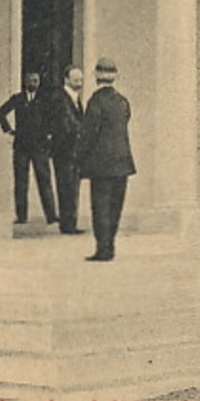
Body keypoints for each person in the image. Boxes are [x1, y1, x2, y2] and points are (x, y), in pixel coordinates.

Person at [77, 56, 135, 262]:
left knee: (100, 206)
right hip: (123, 161)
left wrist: (80, 159)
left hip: (101, 163)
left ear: (96, 77)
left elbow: (88, 134)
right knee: (115, 207)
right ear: (114, 77)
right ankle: (110, 245)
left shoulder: (95, 101)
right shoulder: (122, 102)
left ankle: (103, 248)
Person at [0, 71, 57, 226]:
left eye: (36, 80)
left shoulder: (45, 100)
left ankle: (51, 216)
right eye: (30, 80)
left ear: (39, 82)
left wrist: (49, 135)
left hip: (40, 147)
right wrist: (8, 130)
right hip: (22, 147)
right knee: (21, 182)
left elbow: (53, 117)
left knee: (44, 180)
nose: (33, 83)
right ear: (25, 81)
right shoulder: (17, 99)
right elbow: (1, 112)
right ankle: (21, 216)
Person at [45, 66, 87, 234]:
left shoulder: (75, 98)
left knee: (72, 187)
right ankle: (68, 224)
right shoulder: (60, 98)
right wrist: (83, 131)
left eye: (81, 79)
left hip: (74, 150)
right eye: (75, 78)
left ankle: (70, 222)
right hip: (65, 150)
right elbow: (66, 124)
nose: (79, 81)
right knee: (66, 186)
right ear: (66, 79)